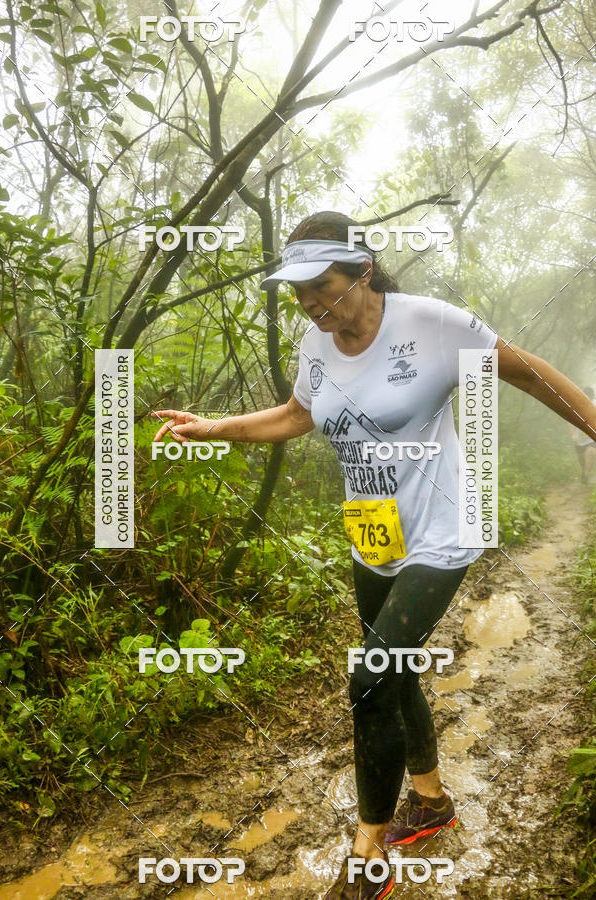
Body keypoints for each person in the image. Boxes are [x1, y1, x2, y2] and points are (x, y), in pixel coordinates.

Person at [151, 211, 596, 899]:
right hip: (374, 533)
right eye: (297, 289)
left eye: (320, 284)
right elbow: (298, 414)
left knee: (368, 679)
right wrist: (214, 426)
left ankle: (368, 849)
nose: (307, 301)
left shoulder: (434, 324)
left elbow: (532, 375)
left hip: (442, 531)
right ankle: (432, 801)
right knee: (398, 672)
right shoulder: (314, 340)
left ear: (361, 270)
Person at [568, 387, 596, 483]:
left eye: (590, 398)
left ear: (592, 398)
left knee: (592, 452)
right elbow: (570, 421)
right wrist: (573, 434)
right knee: (581, 458)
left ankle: (586, 474)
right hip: (579, 438)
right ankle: (584, 469)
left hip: (592, 437)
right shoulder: (577, 405)